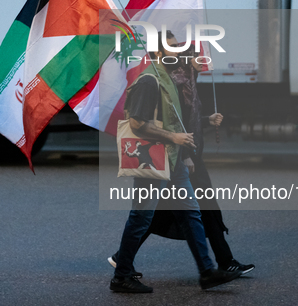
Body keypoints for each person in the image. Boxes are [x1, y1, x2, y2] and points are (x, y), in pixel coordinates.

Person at [108, 42, 255, 280]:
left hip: (178, 157)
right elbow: (143, 123)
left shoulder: (178, 80)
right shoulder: (157, 81)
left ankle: (207, 271)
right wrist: (179, 144)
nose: (184, 53)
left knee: (186, 213)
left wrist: (196, 136)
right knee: (147, 216)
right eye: (175, 48)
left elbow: (183, 119)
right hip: (164, 157)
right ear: (159, 53)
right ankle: (123, 271)